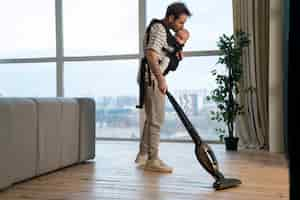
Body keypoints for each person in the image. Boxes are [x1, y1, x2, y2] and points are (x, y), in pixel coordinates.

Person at [135, 2, 191, 173]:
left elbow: (160, 51)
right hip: (152, 76)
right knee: (157, 119)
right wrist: (160, 78)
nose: (182, 27)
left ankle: (144, 155)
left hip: (151, 76)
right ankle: (153, 160)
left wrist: (175, 52)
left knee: (152, 117)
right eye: (180, 22)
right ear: (170, 17)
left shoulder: (163, 31)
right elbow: (151, 53)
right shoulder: (159, 28)